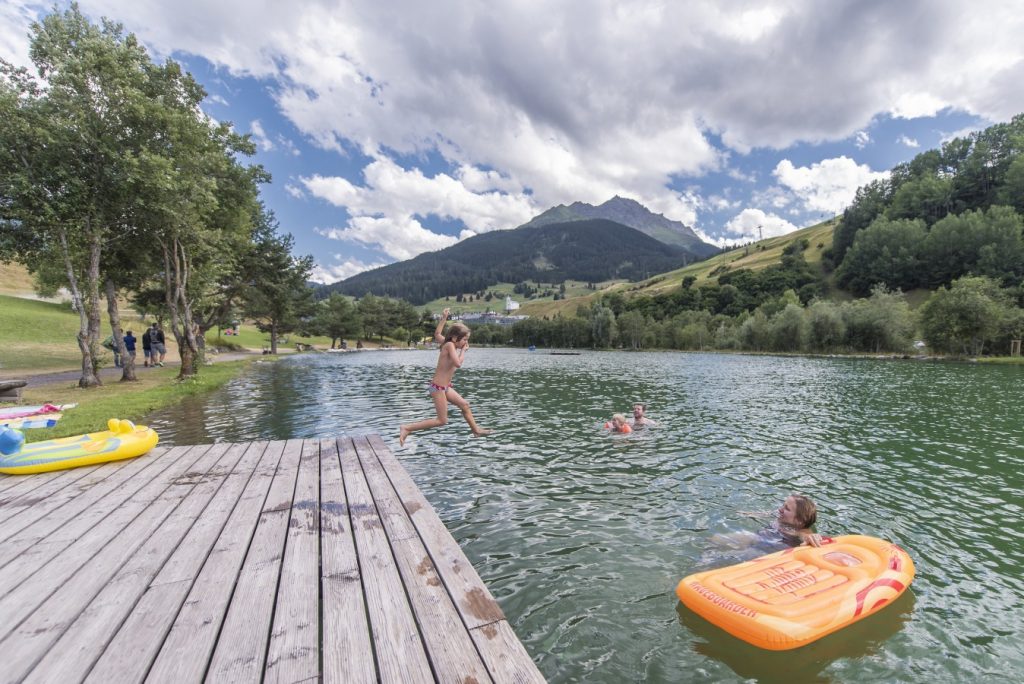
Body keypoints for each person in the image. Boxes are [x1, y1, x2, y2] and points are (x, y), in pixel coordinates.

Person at [399, 308, 491, 446]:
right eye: (465, 339)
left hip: (445, 387)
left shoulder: (449, 344)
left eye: (467, 340)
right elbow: (458, 364)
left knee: (465, 405)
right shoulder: (449, 345)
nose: (466, 343)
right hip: (437, 388)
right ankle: (407, 428)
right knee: (442, 421)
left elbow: (437, 334)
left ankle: (476, 430)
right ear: (455, 338)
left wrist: (444, 318)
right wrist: (464, 351)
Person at [713, 494, 824, 550]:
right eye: (783, 505)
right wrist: (745, 513)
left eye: (786, 509)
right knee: (715, 540)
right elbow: (766, 514)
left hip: (769, 548)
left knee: (727, 556)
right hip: (758, 538)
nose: (780, 509)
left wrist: (812, 537)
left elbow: (806, 536)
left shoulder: (801, 530)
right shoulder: (781, 516)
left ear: (799, 521)